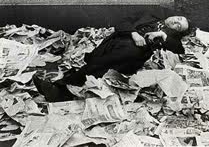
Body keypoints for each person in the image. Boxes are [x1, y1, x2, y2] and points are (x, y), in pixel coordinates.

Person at [33, 14, 190, 102]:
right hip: (116, 42)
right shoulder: (150, 16)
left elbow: (178, 49)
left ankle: (60, 89)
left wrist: (162, 35)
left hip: (133, 54)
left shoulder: (171, 38)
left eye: (178, 26)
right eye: (178, 18)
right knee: (98, 65)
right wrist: (133, 33)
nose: (176, 22)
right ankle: (62, 89)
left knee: (103, 63)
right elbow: (123, 20)